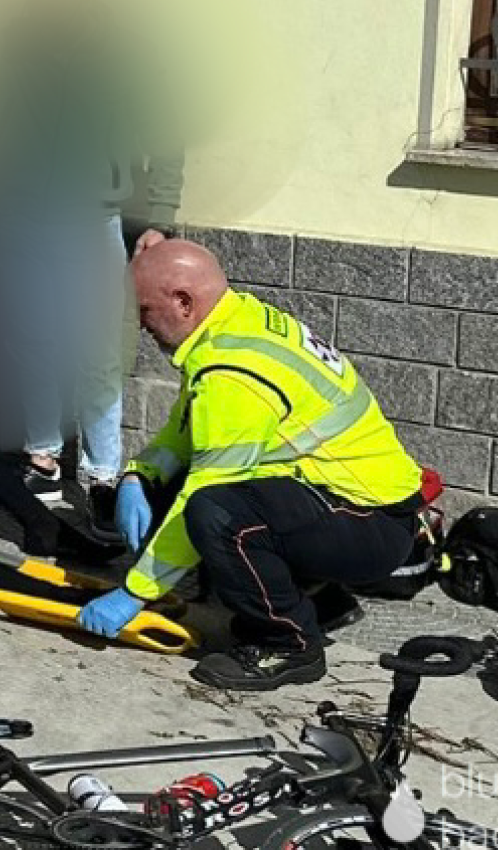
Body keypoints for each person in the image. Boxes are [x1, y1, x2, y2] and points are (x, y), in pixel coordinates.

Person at [75, 238, 425, 691]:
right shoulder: (234, 324)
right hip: (350, 505)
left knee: (216, 513)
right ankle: (318, 601)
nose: (142, 327)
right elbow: (187, 428)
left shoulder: (232, 374)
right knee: (199, 492)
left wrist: (134, 593)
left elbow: (204, 492)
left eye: (143, 312)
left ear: (183, 302)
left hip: (371, 523)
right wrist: (139, 476)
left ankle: (289, 643)